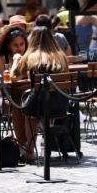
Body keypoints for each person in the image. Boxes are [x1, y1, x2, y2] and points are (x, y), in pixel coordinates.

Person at [11, 27, 68, 161]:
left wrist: (16, 59)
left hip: (39, 106)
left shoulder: (30, 57)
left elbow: (14, 77)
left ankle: (29, 151)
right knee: (32, 102)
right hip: (61, 104)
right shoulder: (61, 56)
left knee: (28, 110)